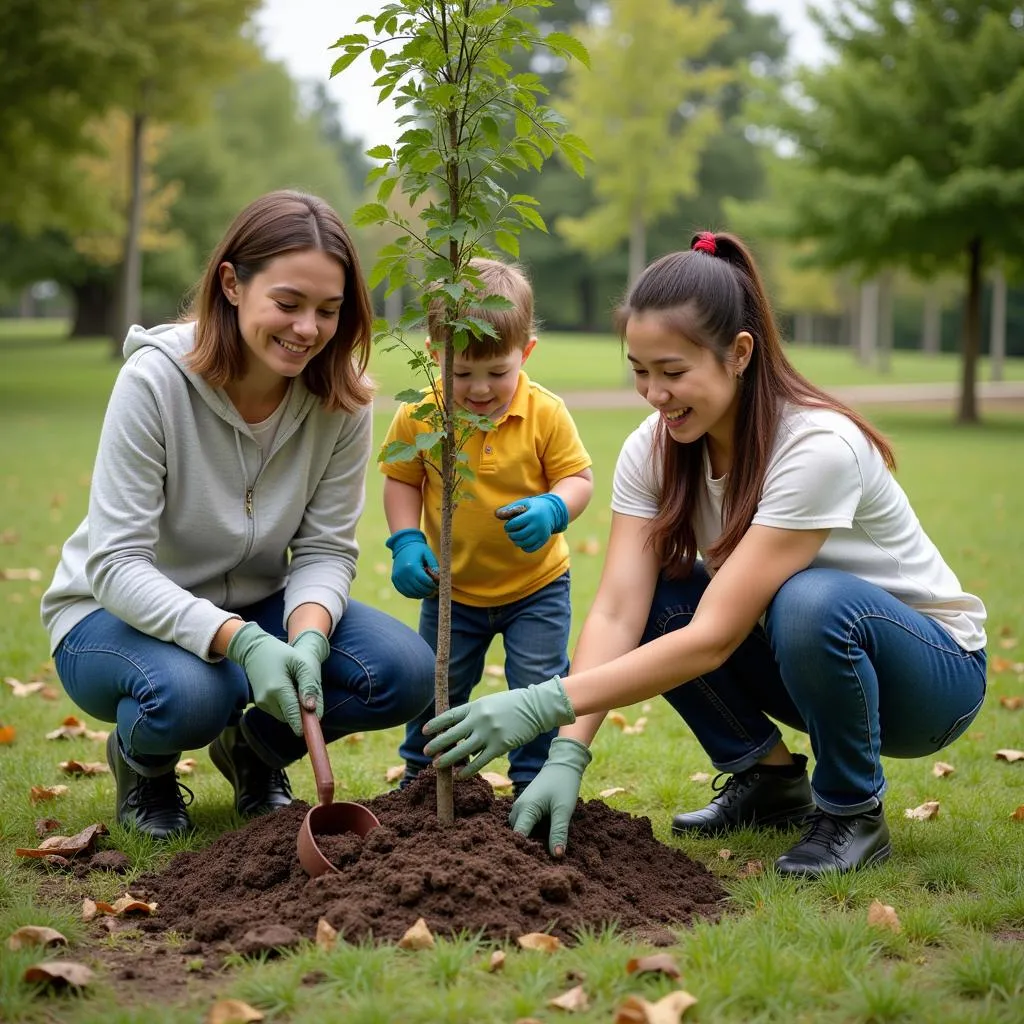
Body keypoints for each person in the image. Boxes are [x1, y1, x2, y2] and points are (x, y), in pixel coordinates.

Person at [421, 231, 987, 877]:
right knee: (664, 592)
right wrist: (566, 753)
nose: (654, 393)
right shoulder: (654, 446)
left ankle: (851, 812)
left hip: (930, 681)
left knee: (810, 600)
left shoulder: (818, 447)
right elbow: (617, 612)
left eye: (673, 372)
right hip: (806, 662)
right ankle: (768, 781)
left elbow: (715, 637)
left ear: (738, 353)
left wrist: (541, 702)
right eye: (639, 371)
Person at [41, 190, 436, 840]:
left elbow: (325, 550)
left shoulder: (341, 400)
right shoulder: (155, 383)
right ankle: (144, 764)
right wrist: (243, 643)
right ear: (231, 283)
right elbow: (115, 564)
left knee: (402, 671)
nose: (307, 328)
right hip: (110, 614)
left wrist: (307, 635)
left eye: (328, 311)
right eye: (287, 303)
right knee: (199, 691)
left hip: (258, 600)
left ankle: (254, 751)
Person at [381, 258, 594, 797]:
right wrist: (406, 541)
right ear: (435, 355)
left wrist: (553, 509)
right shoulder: (421, 415)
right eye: (461, 373)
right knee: (438, 688)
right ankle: (422, 777)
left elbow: (578, 478)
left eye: (497, 372)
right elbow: (402, 480)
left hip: (536, 587)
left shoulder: (545, 412)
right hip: (452, 588)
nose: (479, 390)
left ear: (525, 353)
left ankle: (532, 783)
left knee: (537, 685)